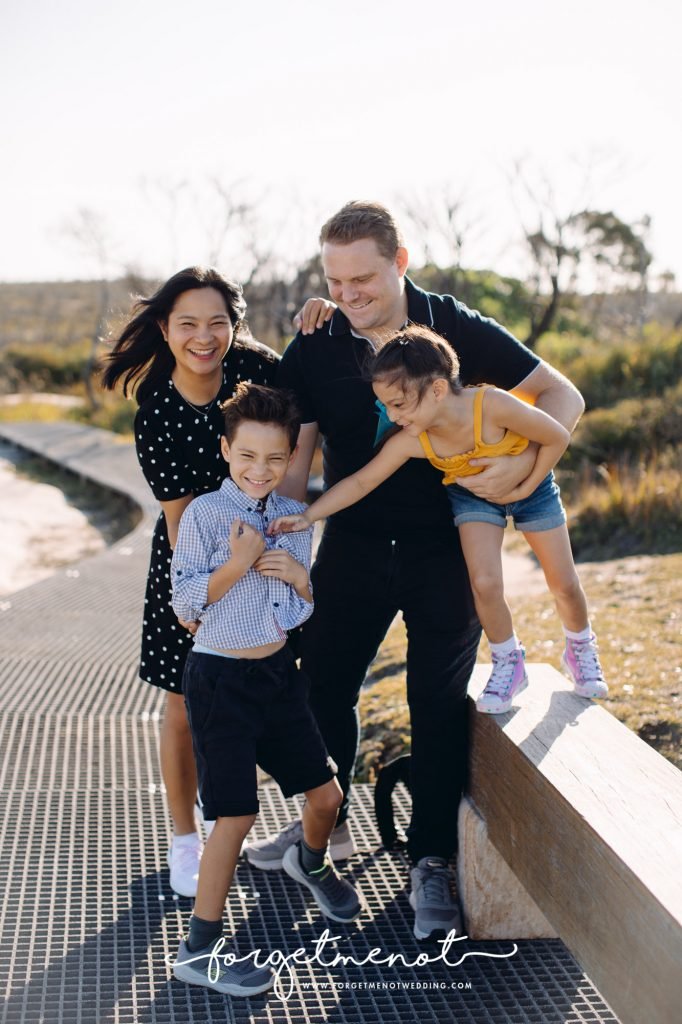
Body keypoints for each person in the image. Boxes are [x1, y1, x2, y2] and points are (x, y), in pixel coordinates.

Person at [243, 201, 585, 941]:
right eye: (335, 280)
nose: (348, 294)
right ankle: (322, 832)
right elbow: (300, 454)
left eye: (363, 277)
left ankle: (431, 859)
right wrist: (278, 527)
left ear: (401, 261)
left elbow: (564, 398)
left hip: (447, 548)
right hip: (356, 544)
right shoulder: (318, 337)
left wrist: (522, 475)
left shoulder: (455, 327)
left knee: (434, 702)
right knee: (321, 684)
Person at [269, 325, 608, 714]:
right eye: (386, 406)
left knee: (563, 581)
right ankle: (508, 662)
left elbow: (556, 437)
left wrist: (524, 484)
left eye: (399, 404)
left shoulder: (493, 405)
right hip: (473, 497)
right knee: (484, 582)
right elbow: (363, 480)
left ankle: (580, 646)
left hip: (533, 488)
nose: (391, 416)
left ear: (437, 390)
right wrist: (309, 515)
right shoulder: (415, 438)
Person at [169, 383, 361, 997]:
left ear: (288, 460)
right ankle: (199, 948)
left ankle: (308, 860)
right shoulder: (202, 516)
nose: (262, 470)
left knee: (327, 797)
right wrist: (236, 564)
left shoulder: (291, 518)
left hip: (278, 678)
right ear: (227, 450)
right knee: (237, 813)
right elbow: (184, 602)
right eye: (248, 456)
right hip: (220, 680)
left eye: (275, 459)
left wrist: (302, 584)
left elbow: (291, 616)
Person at [101, 267, 280, 898]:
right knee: (182, 703)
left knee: (250, 697)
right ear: (163, 329)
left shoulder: (259, 371)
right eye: (187, 324)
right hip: (189, 566)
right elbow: (181, 522)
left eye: (217, 323)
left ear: (234, 324)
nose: (204, 338)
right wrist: (198, 598)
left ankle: (226, 815)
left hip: (265, 556)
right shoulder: (157, 413)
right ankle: (184, 837)